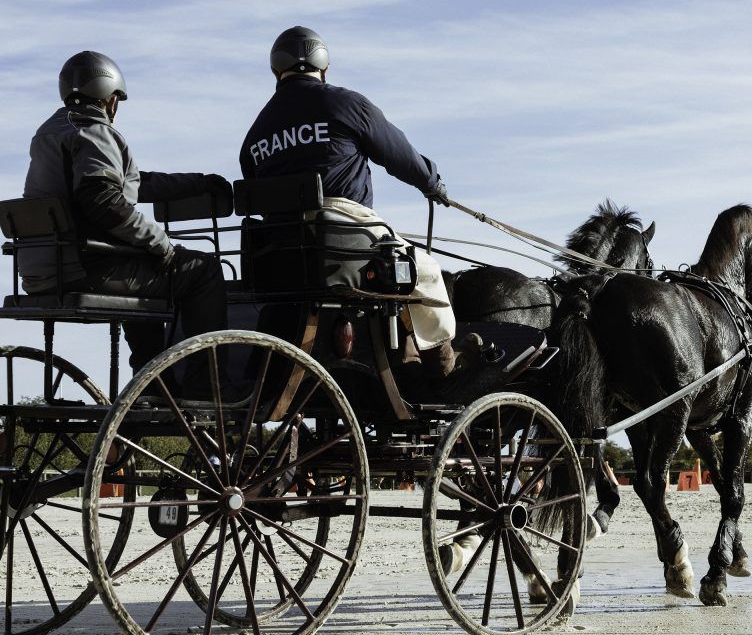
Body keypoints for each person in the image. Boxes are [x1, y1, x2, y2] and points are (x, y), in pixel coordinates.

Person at [239, 26, 478, 383]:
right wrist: (433, 183)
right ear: (325, 68)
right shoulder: (346, 104)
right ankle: (444, 360)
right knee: (424, 270)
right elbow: (400, 155)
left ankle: (402, 348)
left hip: (279, 250)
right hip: (341, 234)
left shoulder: (256, 133)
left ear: (276, 72)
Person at [22, 51, 230, 378]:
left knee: (142, 268)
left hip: (46, 269)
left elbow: (130, 184)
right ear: (111, 99)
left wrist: (197, 183)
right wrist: (161, 244)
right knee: (203, 270)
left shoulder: (52, 131)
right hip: (85, 266)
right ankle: (205, 384)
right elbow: (103, 200)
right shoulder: (94, 130)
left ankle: (153, 383)